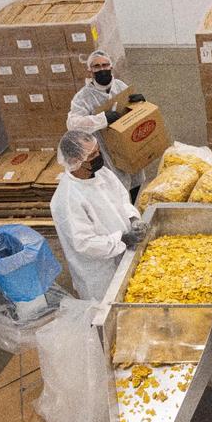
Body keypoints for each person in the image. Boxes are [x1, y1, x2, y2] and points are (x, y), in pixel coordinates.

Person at [50, 130, 148, 301]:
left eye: (98, 151)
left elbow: (122, 200)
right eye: (93, 154)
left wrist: (133, 219)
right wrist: (123, 239)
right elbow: (85, 244)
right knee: (106, 307)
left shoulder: (102, 173)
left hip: (123, 252)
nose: (99, 156)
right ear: (75, 161)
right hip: (99, 270)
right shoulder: (67, 199)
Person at [68, 50, 146, 200]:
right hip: (106, 154)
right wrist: (102, 119)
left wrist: (140, 104)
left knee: (135, 189)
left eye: (105, 65)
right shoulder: (83, 97)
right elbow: (72, 124)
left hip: (128, 150)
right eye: (96, 66)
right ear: (90, 71)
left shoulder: (120, 86)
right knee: (116, 194)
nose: (102, 69)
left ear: (111, 67)